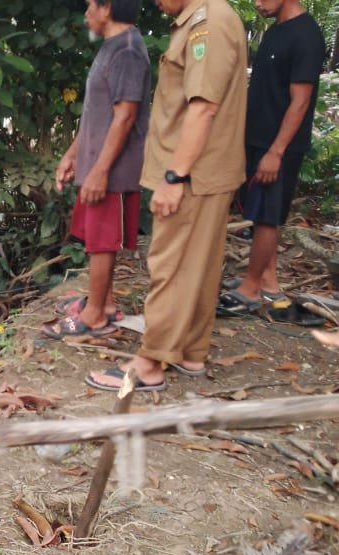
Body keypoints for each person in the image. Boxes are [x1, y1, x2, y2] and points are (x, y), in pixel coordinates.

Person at [86, 0, 248, 392]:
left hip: (192, 172)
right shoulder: (207, 18)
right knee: (198, 266)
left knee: (170, 265)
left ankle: (149, 363)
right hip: (206, 171)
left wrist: (175, 176)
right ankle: (190, 352)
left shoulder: (208, 23)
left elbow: (203, 108)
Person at [47, 0, 151, 339]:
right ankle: (102, 302)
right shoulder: (113, 47)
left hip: (114, 169)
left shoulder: (128, 51)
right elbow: (98, 113)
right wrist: (73, 156)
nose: (86, 12)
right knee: (95, 236)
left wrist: (101, 170)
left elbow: (125, 117)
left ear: (107, 7)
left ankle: (94, 317)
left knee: (103, 241)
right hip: (98, 163)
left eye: (91, 4)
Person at [218, 0, 327, 315]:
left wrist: (276, 151)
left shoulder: (306, 35)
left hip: (278, 146)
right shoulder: (275, 31)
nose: (256, 2)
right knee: (260, 211)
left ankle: (250, 289)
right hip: (258, 139)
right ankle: (267, 279)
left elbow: (300, 101)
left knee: (268, 216)